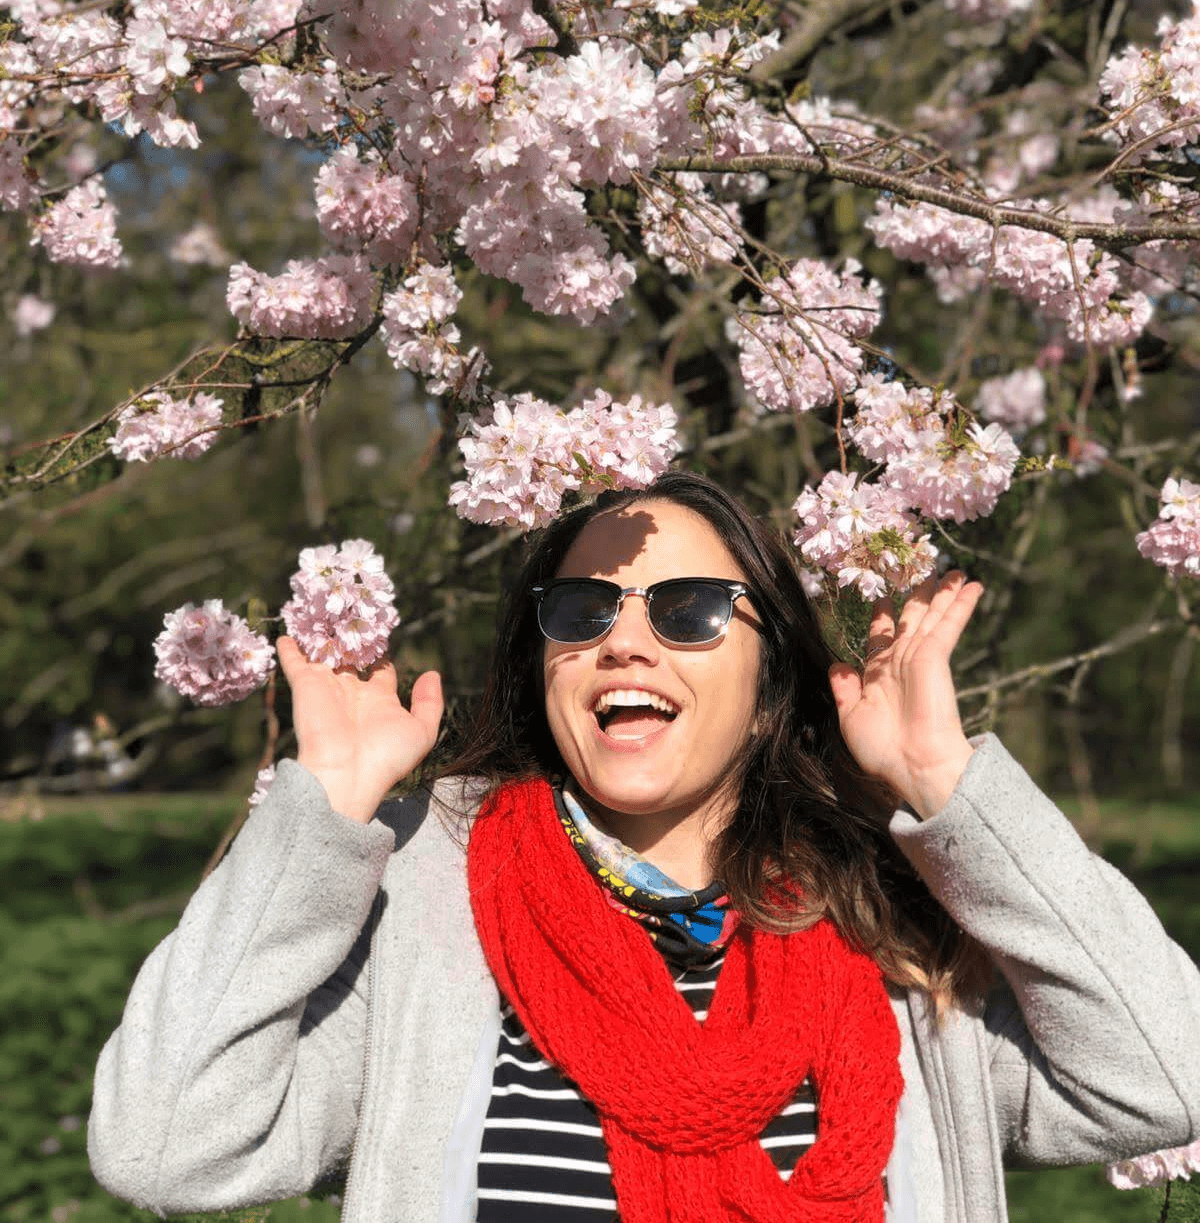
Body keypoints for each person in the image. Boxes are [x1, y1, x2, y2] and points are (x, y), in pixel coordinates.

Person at [88, 471, 1200, 1223]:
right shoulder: (430, 905)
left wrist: (945, 789)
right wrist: (320, 818)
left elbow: (1165, 1075)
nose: (624, 636)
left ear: (771, 673)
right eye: (579, 608)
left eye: (690, 609)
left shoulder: (883, 931)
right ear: (541, 658)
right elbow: (163, 1144)